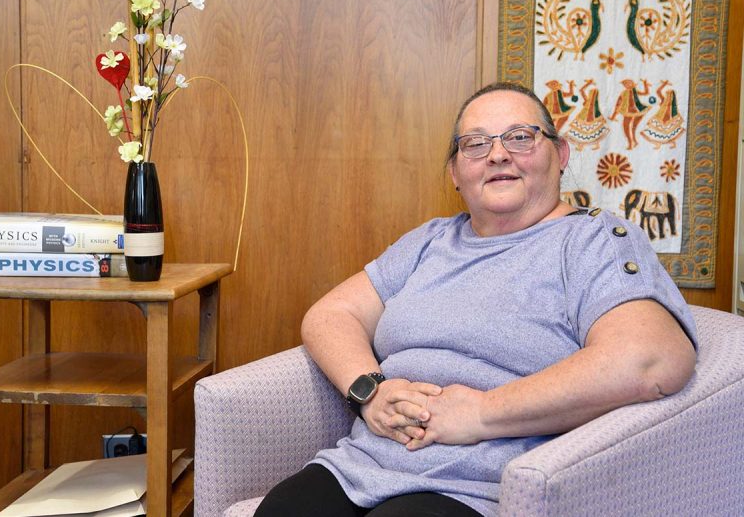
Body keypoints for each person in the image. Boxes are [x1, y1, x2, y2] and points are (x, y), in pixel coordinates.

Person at [254, 82, 697, 517]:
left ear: (560, 155)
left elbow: (651, 359)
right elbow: (331, 313)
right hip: (362, 466)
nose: (498, 154)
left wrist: (483, 413)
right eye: (475, 144)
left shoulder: (592, 241)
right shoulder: (431, 240)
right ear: (454, 172)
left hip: (478, 485)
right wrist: (370, 392)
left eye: (520, 137)